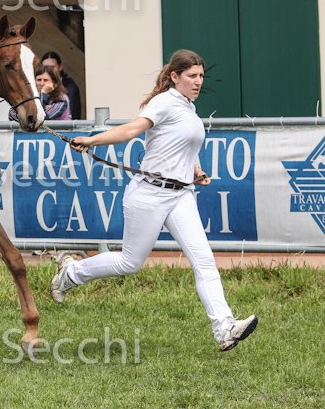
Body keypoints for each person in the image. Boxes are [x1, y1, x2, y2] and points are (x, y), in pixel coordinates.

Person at [50, 49, 258, 352]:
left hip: (181, 195)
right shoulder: (163, 102)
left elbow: (183, 146)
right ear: (175, 76)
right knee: (129, 262)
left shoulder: (188, 107)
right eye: (192, 76)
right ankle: (70, 273)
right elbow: (132, 130)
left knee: (204, 260)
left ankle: (225, 328)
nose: (198, 81)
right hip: (149, 194)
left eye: (201, 76)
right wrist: (92, 140)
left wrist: (196, 169)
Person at [41, 51, 82, 119]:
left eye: (52, 67)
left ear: (60, 67)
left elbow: (74, 113)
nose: (48, 70)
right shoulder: (36, 86)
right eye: (45, 67)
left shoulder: (69, 87)